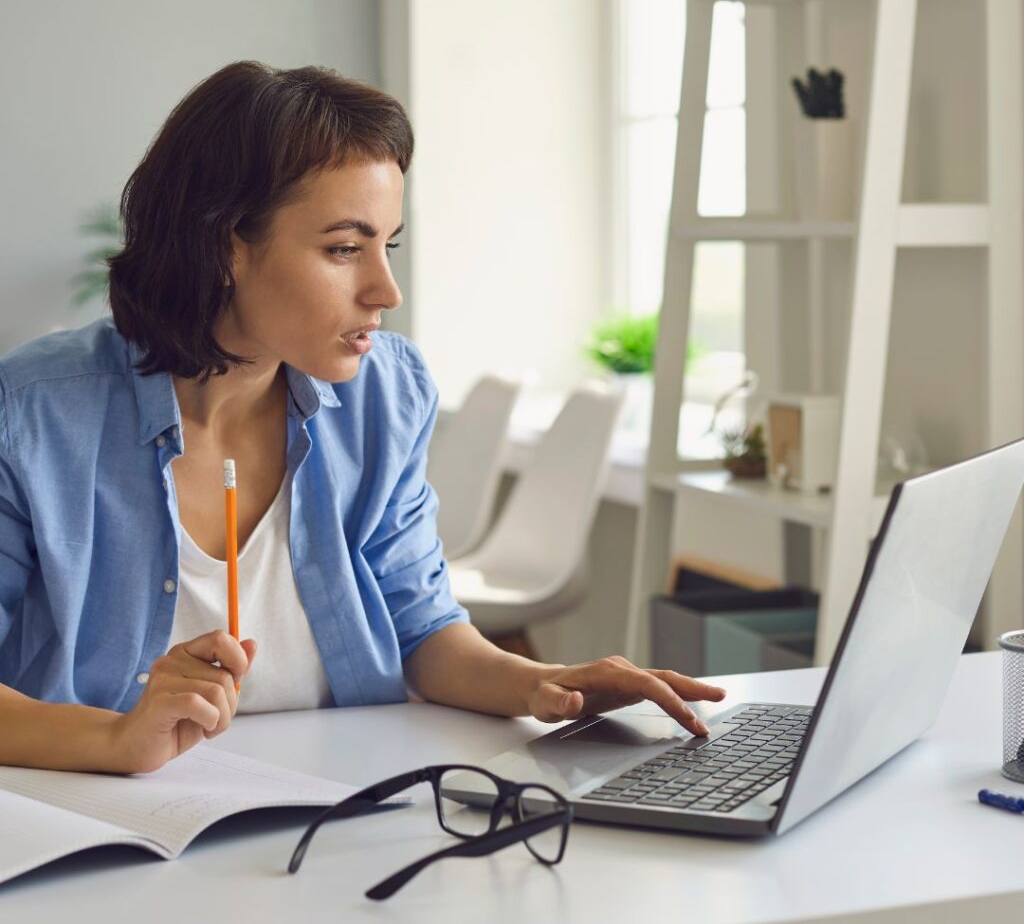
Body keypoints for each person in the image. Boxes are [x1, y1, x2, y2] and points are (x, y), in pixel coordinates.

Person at [0, 60, 725, 775]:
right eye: (344, 248)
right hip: (99, 831)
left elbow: (422, 627)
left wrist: (543, 684)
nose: (385, 290)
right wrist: (116, 742)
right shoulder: (33, 415)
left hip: (334, 811)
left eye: (388, 244)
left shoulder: (387, 393)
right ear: (226, 247)